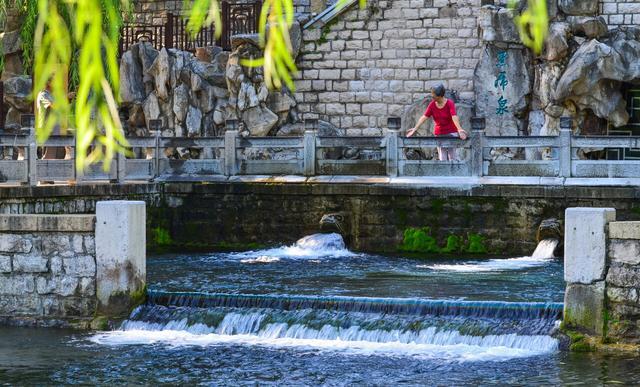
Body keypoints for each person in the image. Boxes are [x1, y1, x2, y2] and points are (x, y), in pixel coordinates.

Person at [406, 84, 468, 161]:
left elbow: (454, 117)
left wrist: (459, 129)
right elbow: (424, 117)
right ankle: (443, 172)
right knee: (442, 158)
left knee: (452, 157)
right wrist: (415, 129)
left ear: (440, 96)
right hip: (440, 133)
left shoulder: (449, 103)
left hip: (451, 133)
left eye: (433, 95)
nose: (432, 97)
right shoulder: (432, 105)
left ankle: (452, 172)